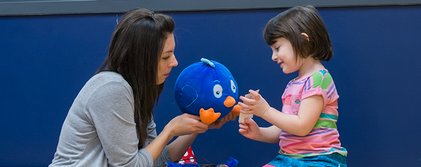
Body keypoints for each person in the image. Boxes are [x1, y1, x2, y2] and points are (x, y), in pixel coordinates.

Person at [50, 8, 232, 167]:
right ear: (141, 59)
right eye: (165, 57)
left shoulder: (136, 91)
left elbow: (155, 162)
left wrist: (199, 126)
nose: (175, 62)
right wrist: (170, 130)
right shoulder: (113, 89)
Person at [238, 5, 347, 167]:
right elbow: (284, 128)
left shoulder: (319, 79)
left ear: (303, 41)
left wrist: (265, 111)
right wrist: (259, 133)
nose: (273, 57)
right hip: (290, 159)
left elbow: (302, 126)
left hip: (319, 159)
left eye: (277, 48)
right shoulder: (293, 84)